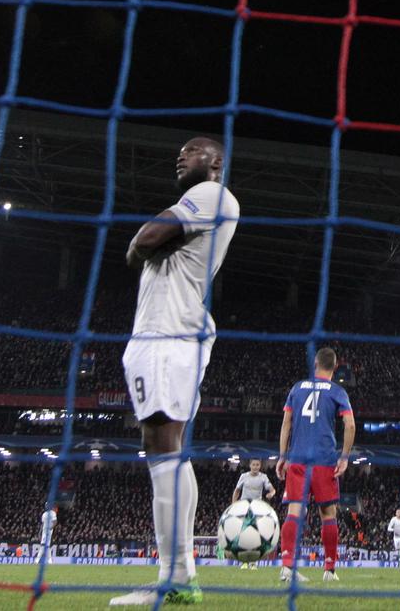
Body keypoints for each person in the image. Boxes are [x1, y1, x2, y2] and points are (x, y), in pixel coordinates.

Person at [109, 137, 240, 607]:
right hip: (170, 333)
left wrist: (138, 242)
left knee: (163, 444)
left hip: (169, 333)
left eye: (191, 150)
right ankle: (180, 573)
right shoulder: (205, 200)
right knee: (166, 448)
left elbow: (144, 240)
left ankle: (175, 576)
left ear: (215, 162)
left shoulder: (210, 195)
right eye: (179, 150)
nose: (179, 155)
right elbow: (143, 246)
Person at [275, 347, 356, 583]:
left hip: (298, 459)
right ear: (335, 367)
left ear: (315, 364)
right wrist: (344, 457)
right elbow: (350, 425)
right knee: (328, 514)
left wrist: (282, 456)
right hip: (324, 460)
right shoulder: (337, 391)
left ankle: (287, 567)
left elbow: (286, 423)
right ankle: (329, 570)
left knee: (294, 512)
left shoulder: (297, 389)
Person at [232, 459, 276, 569]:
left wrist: (271, 493)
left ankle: (253, 562)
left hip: (257, 508)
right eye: (253, 465)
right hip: (245, 507)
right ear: (250, 465)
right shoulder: (244, 476)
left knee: (256, 536)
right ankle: (244, 562)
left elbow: (272, 490)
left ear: (260, 466)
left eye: (257, 465)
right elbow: (237, 491)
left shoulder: (263, 477)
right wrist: (233, 505)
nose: (255, 467)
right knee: (244, 536)